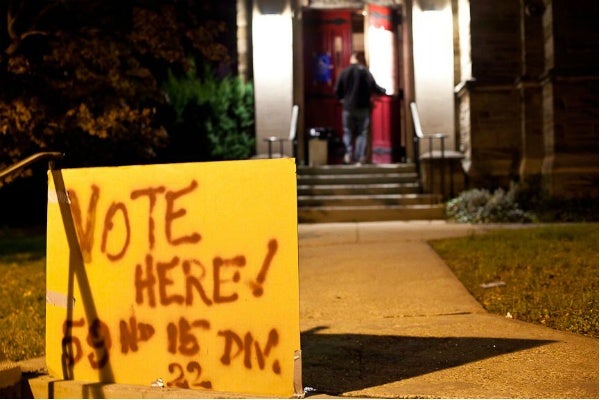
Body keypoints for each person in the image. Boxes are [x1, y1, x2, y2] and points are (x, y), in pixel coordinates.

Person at [334, 51, 386, 164]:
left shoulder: (345, 72)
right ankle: (359, 157)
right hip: (363, 108)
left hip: (348, 107)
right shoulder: (365, 72)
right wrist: (384, 91)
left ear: (353, 58)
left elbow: (337, 90)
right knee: (362, 133)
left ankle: (348, 153)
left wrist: (342, 99)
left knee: (347, 131)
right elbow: (374, 87)